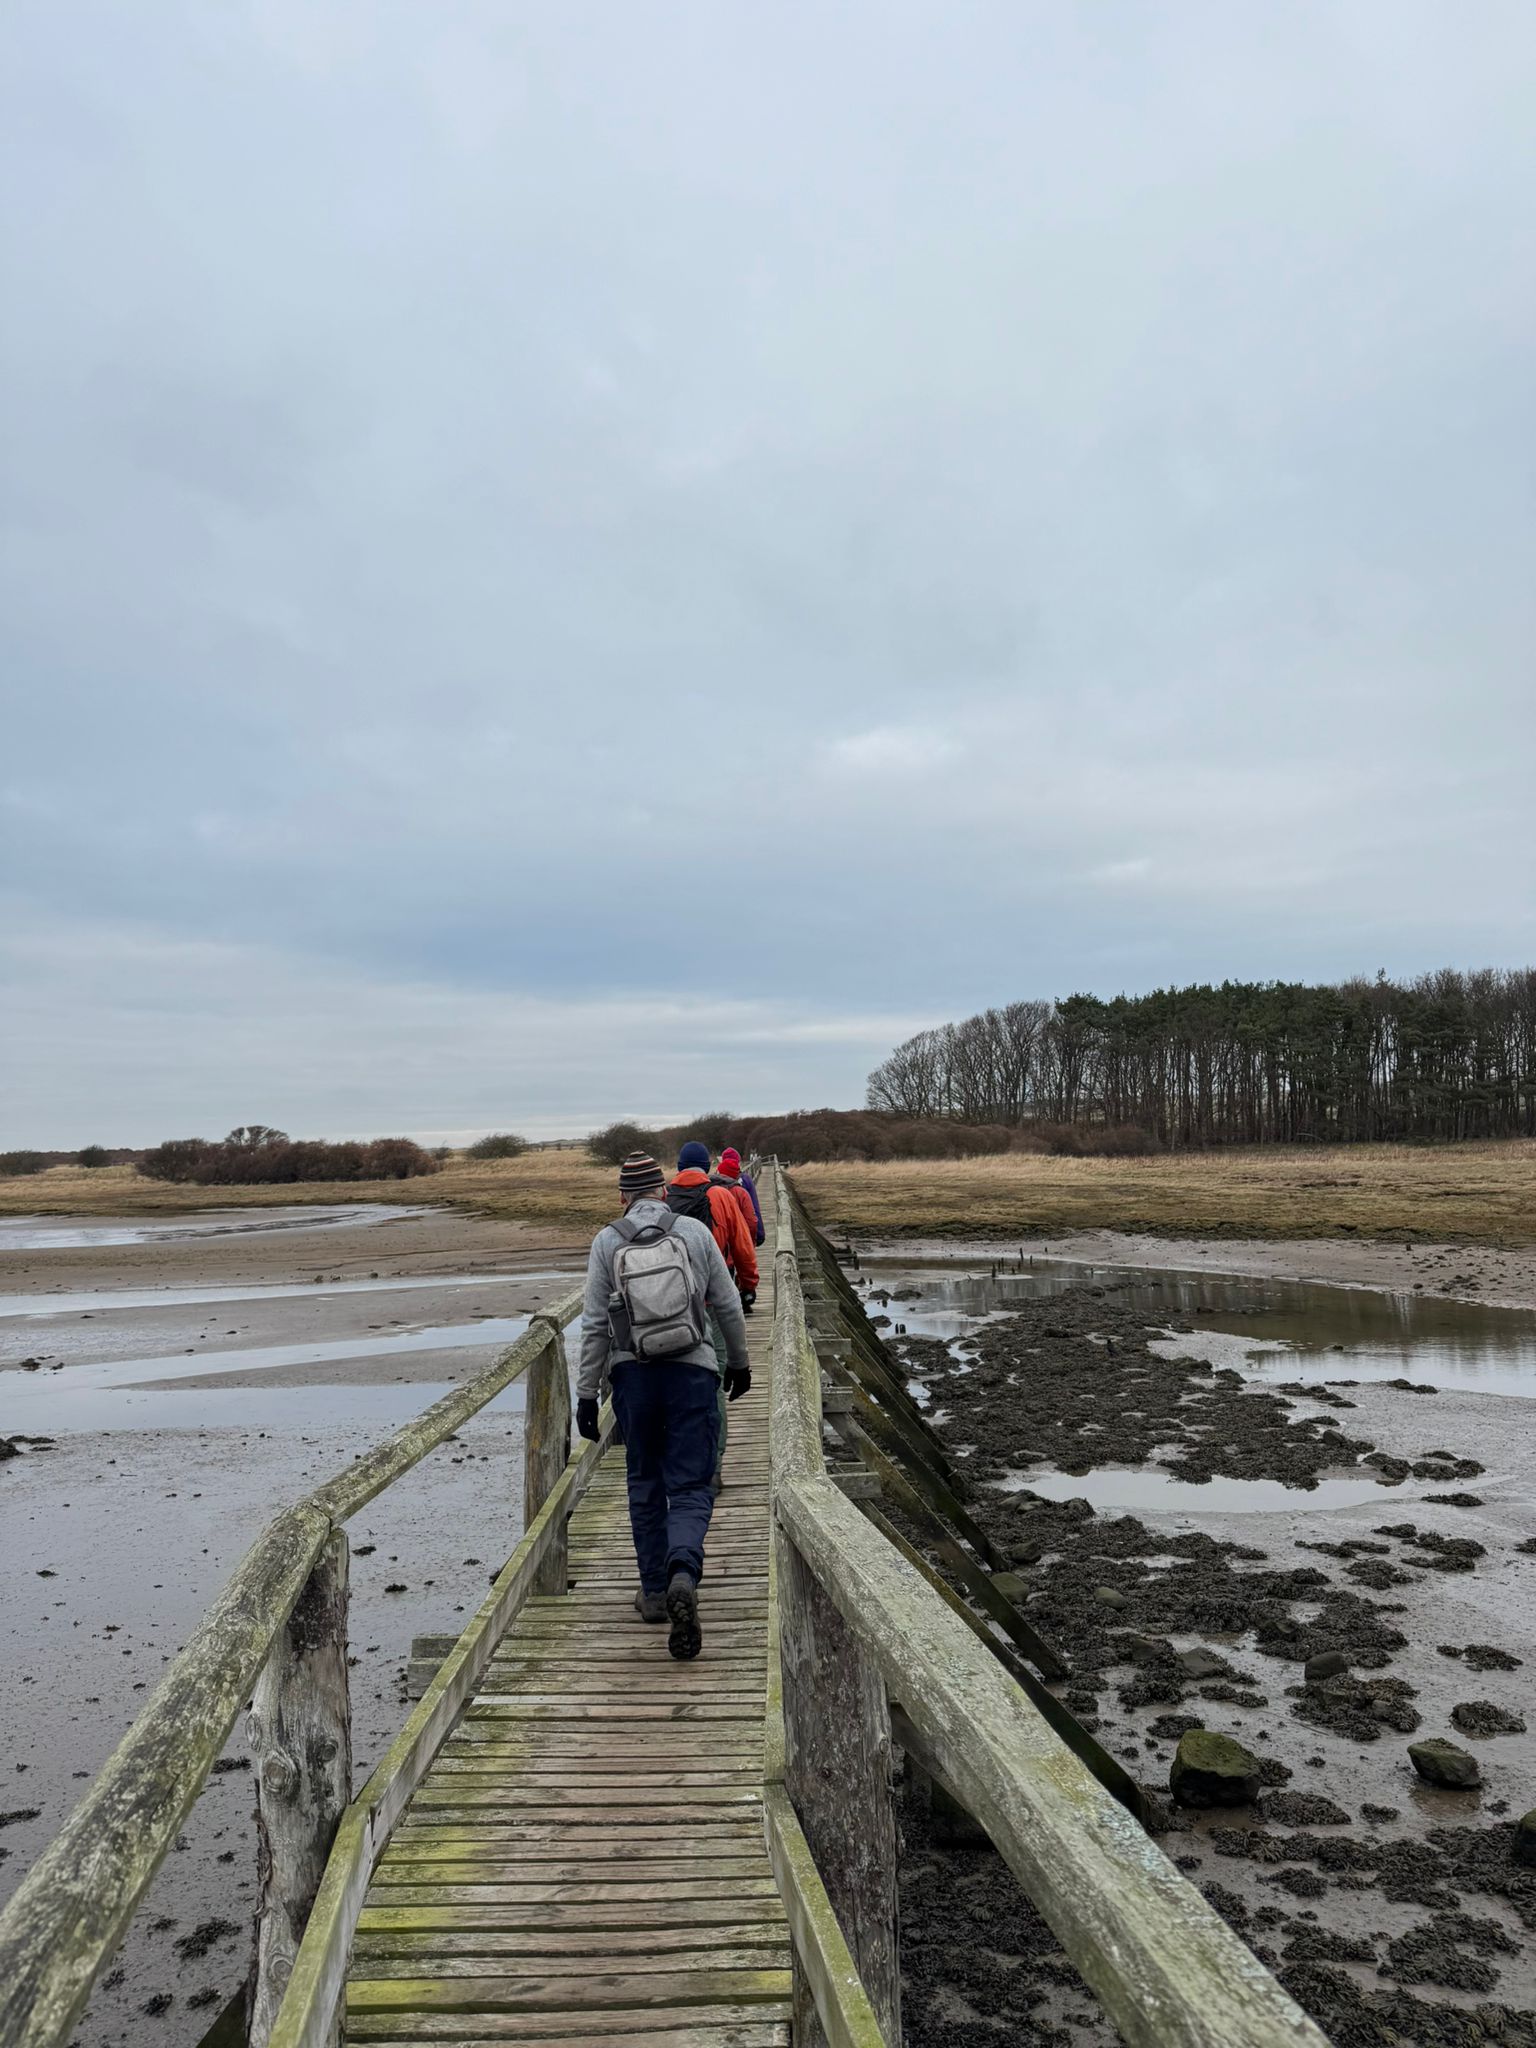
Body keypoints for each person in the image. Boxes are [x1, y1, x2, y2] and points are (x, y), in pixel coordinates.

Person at [576, 1152, 751, 1660]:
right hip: (693, 1371)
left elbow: (592, 1326)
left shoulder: (606, 1240)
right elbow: (727, 1302)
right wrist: (737, 1363)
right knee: (691, 1484)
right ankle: (683, 1571)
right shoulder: (693, 1233)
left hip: (634, 1378)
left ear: (622, 1196)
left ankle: (655, 1593)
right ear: (664, 1190)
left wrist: (587, 1394)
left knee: (645, 1482)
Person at [666, 1141, 758, 1489]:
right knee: (713, 1380)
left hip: (670, 1309)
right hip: (710, 1307)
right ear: (707, 1166)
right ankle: (713, 1464)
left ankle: (677, 1460)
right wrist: (749, 1286)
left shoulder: (662, 1200)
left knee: (673, 1382)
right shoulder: (721, 1196)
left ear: (678, 1166)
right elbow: (743, 1248)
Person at [714, 1146, 764, 1247]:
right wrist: (759, 1235)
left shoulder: (714, 1183)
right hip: (743, 1236)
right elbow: (754, 1208)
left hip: (723, 1241)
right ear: (738, 1162)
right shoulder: (745, 1179)